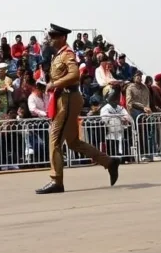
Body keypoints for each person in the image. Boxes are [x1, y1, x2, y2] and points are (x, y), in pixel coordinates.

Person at [36, 24, 120, 194]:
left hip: (67, 98)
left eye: (54, 37)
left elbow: (74, 75)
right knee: (73, 142)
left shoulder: (67, 54)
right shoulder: (58, 55)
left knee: (55, 140)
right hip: (64, 98)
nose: (51, 40)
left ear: (62, 38)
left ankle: (56, 181)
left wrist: (54, 84)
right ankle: (109, 162)